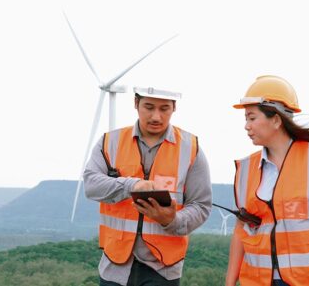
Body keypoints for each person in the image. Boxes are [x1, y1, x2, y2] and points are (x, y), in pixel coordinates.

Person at [225, 75, 309, 286]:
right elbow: (240, 233)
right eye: (246, 119)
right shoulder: (245, 170)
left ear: (276, 119)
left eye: (252, 118)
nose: (246, 126)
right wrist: (229, 283)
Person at [83, 86, 212, 286]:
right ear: (136, 103)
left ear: (174, 108)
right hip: (114, 264)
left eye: (164, 109)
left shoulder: (191, 148)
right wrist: (131, 185)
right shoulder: (110, 142)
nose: (156, 117)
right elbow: (91, 185)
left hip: (163, 268)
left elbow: (201, 205)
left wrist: (173, 220)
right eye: (149, 107)